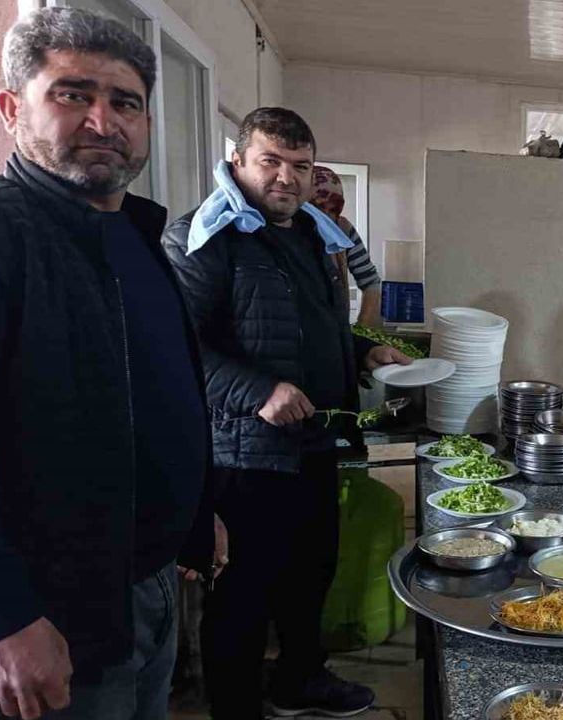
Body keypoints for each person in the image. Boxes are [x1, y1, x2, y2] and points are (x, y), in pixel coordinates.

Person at [0, 7, 221, 719]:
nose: (103, 122)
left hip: (150, 584)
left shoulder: (135, 235)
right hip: (48, 612)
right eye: (73, 95)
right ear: (13, 109)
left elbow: (159, 390)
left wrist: (196, 518)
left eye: (125, 102)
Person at [162, 108, 410, 719]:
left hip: (314, 443)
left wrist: (363, 350)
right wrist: (258, 392)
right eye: (270, 162)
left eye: (299, 166)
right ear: (238, 161)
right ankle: (238, 707)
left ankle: (300, 678)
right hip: (245, 454)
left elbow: (315, 330)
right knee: (243, 597)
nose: (286, 178)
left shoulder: (310, 234)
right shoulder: (201, 238)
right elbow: (179, 349)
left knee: (309, 576)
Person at [311, 165, 384, 327]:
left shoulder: (344, 229)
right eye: (318, 208)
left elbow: (371, 282)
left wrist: (362, 330)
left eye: (334, 209)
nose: (327, 217)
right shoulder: (288, 231)